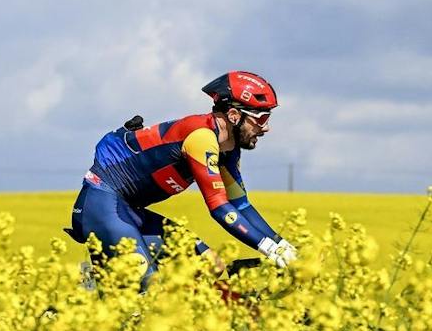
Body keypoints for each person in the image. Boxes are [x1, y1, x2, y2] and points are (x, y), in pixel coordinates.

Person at [67, 71, 297, 286]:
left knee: (210, 266)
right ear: (234, 116)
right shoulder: (202, 138)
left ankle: (100, 284)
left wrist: (282, 245)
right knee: (147, 290)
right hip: (102, 204)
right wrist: (268, 248)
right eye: (262, 118)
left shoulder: (228, 149)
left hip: (128, 211)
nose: (266, 128)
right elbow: (219, 207)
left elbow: (241, 205)